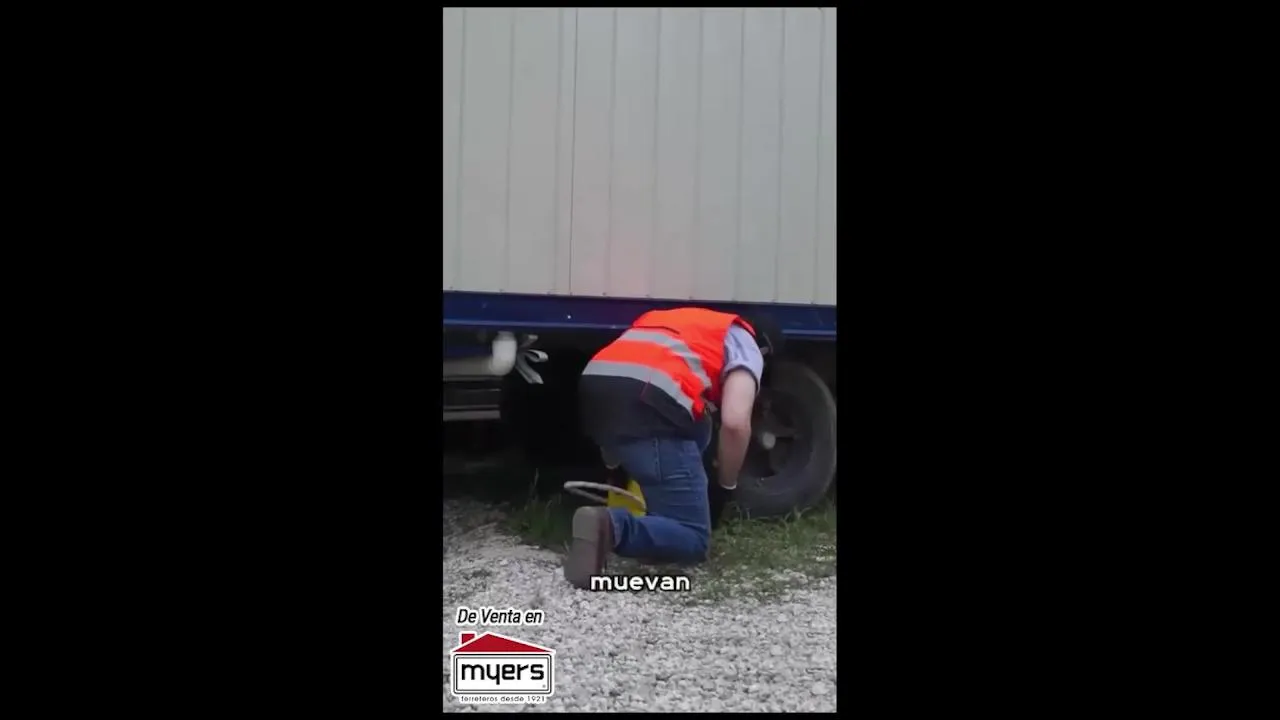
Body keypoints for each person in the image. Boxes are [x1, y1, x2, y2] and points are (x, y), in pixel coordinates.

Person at [564, 307, 783, 588]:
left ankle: (659, 524)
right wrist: (726, 485)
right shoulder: (745, 342)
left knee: (700, 421)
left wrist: (615, 465)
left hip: (596, 390)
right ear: (764, 349)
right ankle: (610, 527)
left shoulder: (676, 322)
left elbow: (627, 375)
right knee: (694, 537)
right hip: (649, 405)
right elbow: (735, 423)